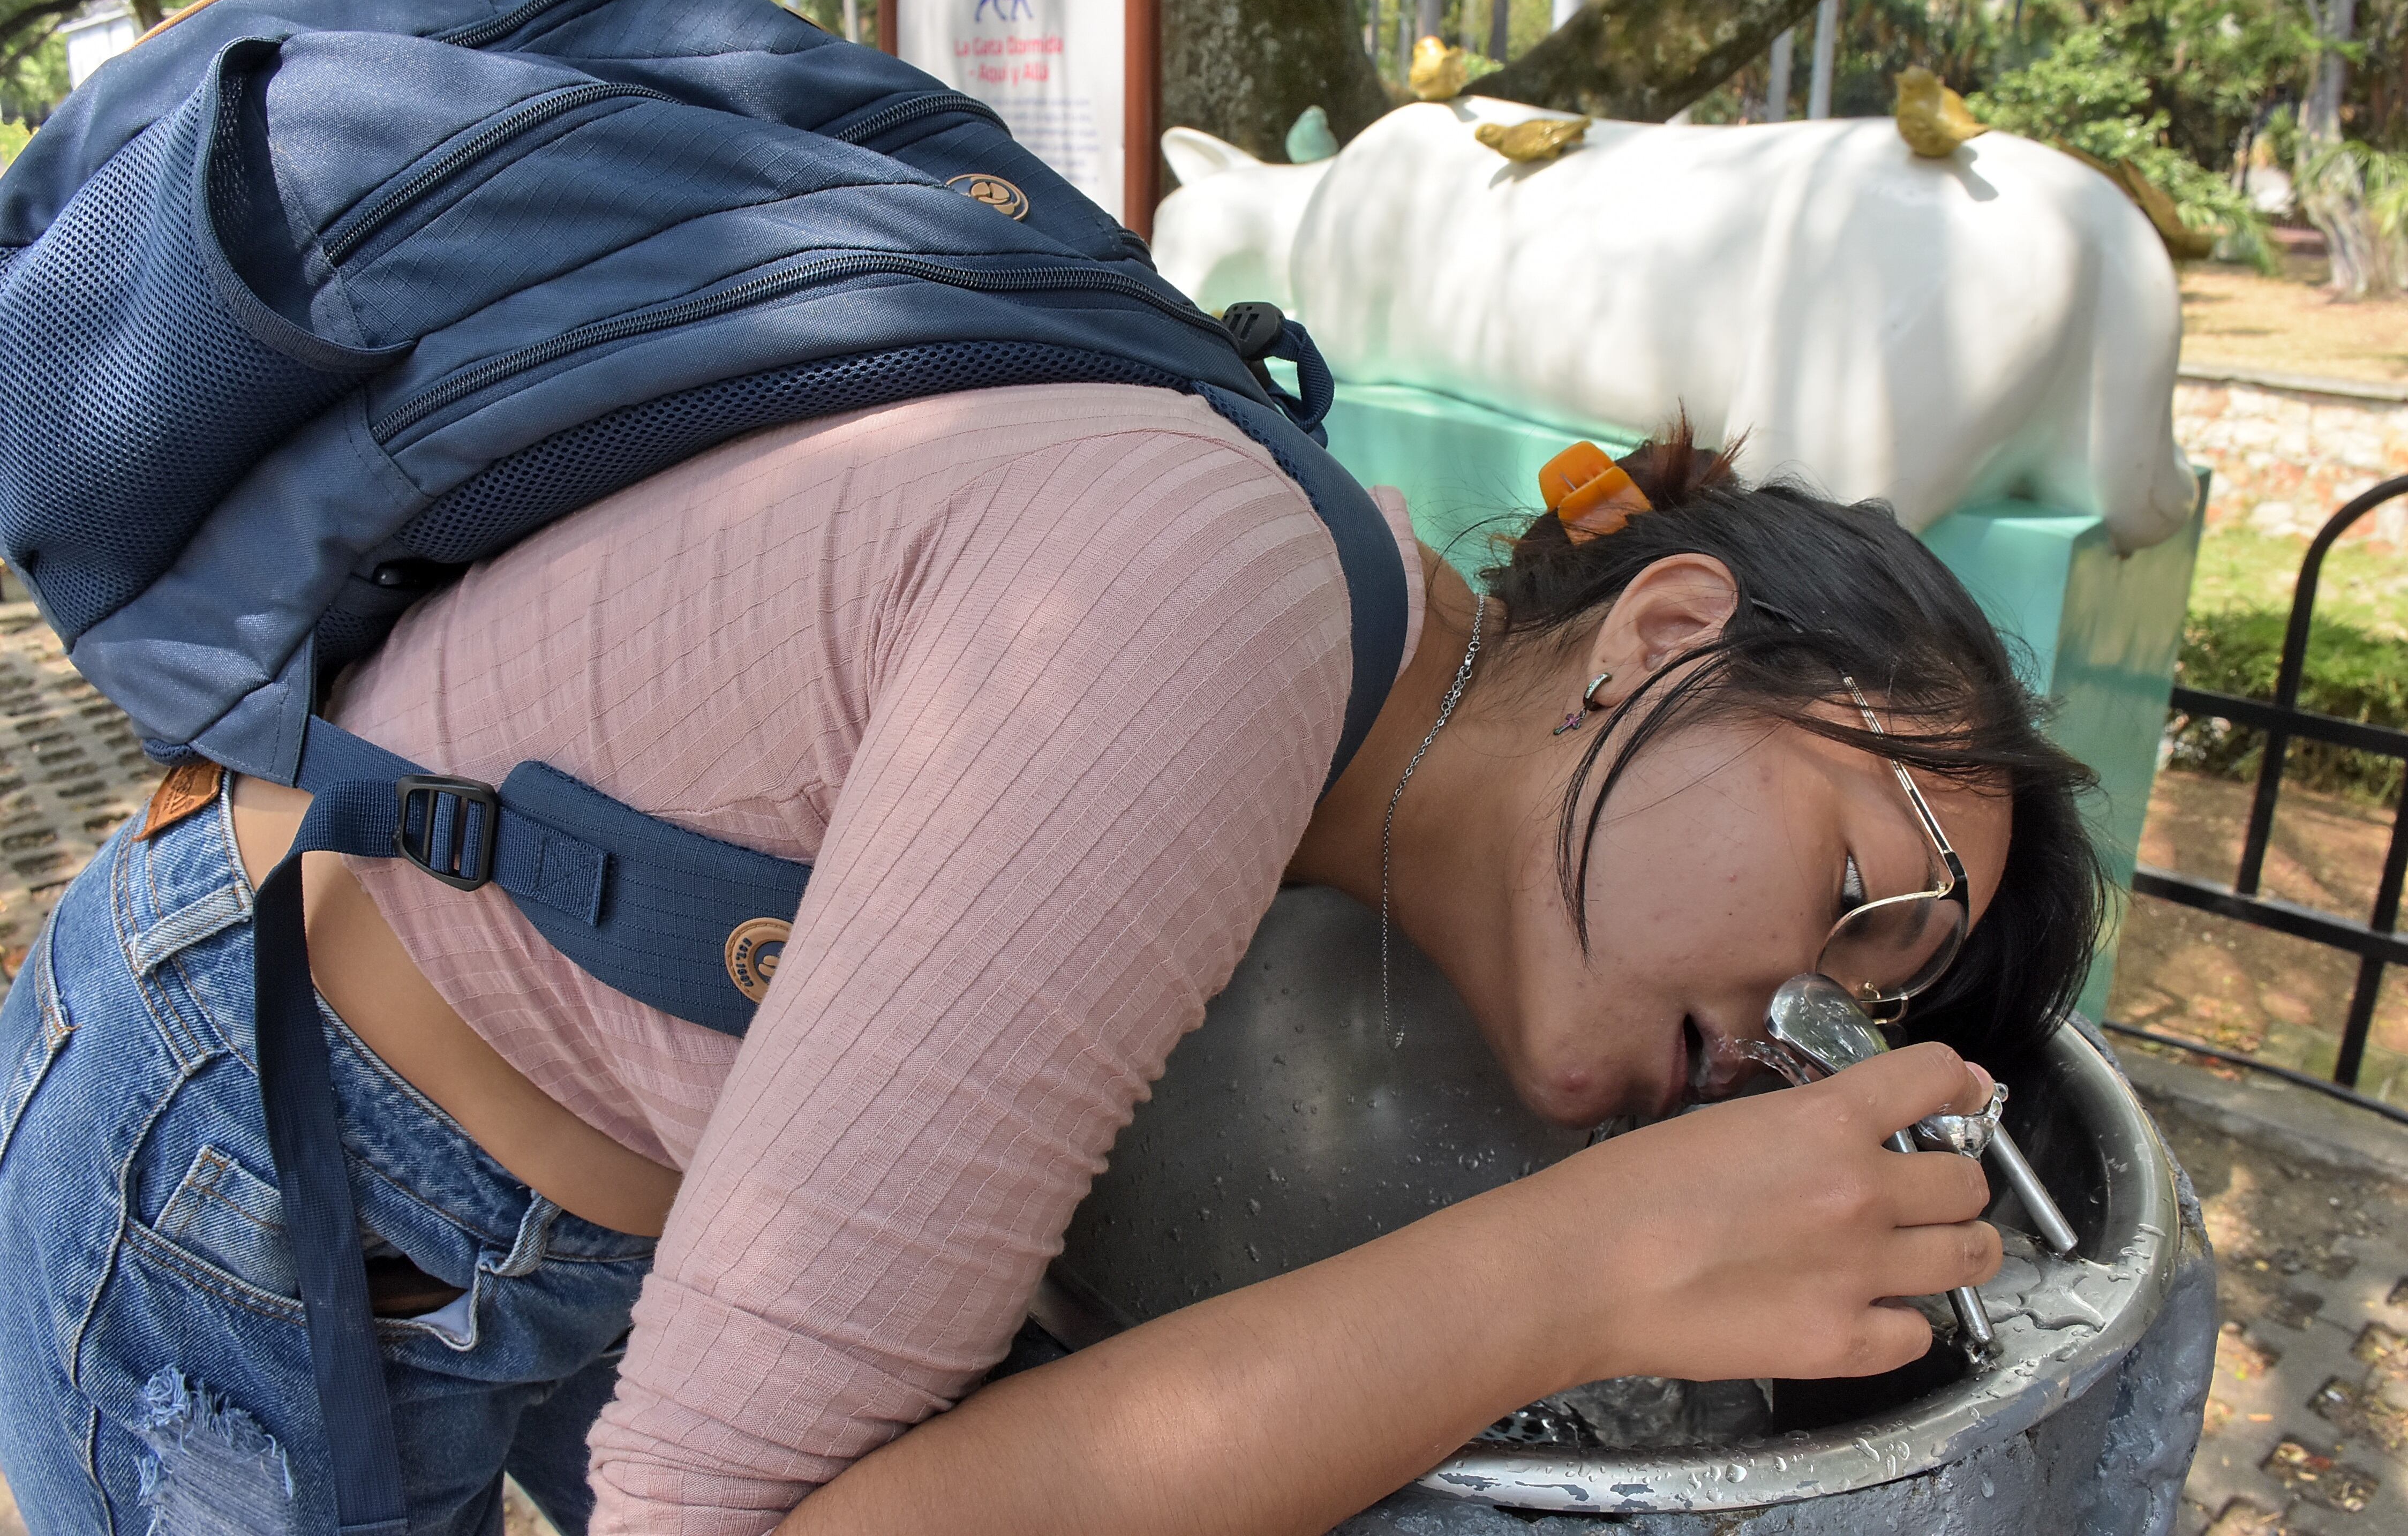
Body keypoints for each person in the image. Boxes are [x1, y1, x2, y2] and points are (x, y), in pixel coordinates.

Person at [0, 388, 2101, 1535]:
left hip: (572, 1168)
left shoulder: (1347, 618)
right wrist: (1570, 1272)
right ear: (1658, 636)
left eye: (1872, 1005)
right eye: (1862, 887)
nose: (1793, 1033)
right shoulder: (1197, 632)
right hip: (272, 1149)